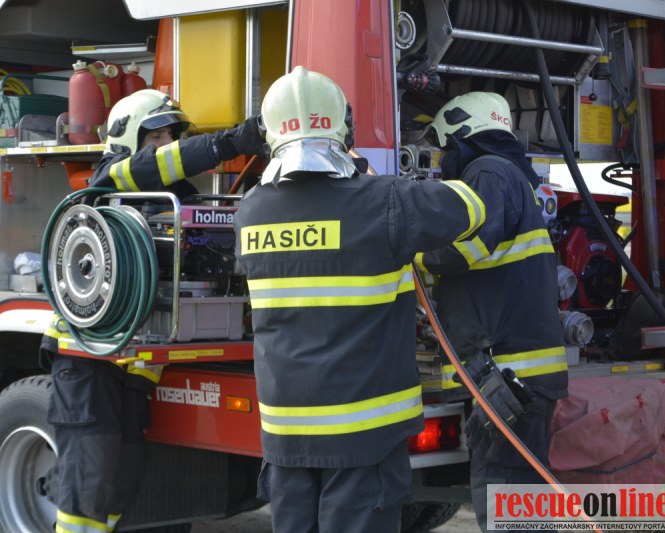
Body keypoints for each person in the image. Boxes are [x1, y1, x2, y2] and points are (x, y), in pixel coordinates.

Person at [233, 66, 487, 533]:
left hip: (287, 435)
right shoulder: (383, 201)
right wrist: (369, 175)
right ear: (341, 129)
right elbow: (471, 208)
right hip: (363, 438)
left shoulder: (250, 212)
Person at [41, 88, 265, 533]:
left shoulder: (179, 199)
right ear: (128, 140)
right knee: (90, 483)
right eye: (156, 137)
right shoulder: (110, 179)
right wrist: (232, 142)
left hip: (136, 366)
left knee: (124, 481)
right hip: (89, 358)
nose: (167, 145)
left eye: (172, 137)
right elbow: (152, 167)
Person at [417, 91, 569, 532]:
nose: (443, 160)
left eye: (445, 148)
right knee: (519, 499)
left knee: (505, 493)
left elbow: (468, 248)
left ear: (463, 136)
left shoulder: (487, 171)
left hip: (508, 378)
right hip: (514, 376)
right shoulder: (510, 175)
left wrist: (413, 252)